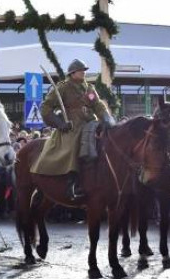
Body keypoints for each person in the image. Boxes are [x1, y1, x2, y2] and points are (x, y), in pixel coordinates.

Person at [30, 59, 115, 200]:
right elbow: (46, 107)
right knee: (75, 142)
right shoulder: (62, 87)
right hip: (71, 126)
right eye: (81, 70)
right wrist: (59, 123)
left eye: (84, 70)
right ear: (73, 73)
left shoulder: (89, 89)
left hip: (90, 122)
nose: (84, 72)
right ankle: (72, 181)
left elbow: (98, 105)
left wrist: (106, 117)